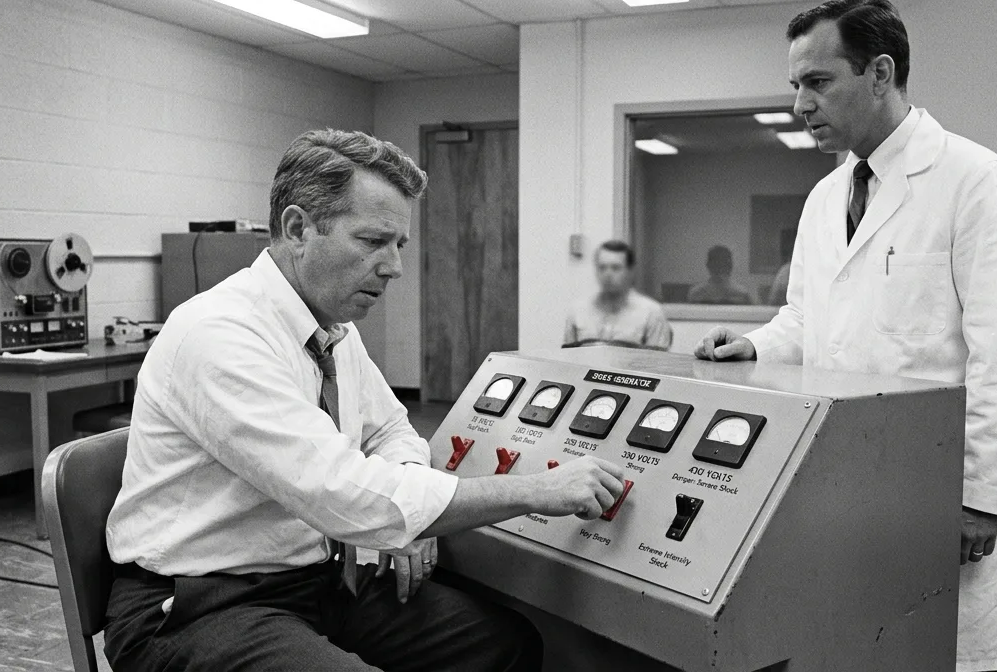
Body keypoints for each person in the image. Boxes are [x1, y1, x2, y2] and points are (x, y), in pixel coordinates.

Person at [103, 129, 628, 672]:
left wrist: (404, 518)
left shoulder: (332, 330)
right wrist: (535, 489)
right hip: (198, 605)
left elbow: (391, 431)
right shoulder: (220, 334)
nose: (394, 266)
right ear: (298, 228)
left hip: (311, 583)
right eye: (373, 241)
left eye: (399, 244)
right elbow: (339, 494)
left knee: (505, 642)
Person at [693, 2, 997, 670]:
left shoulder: (975, 182)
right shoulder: (825, 198)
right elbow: (805, 319)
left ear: (881, 74)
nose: (801, 103)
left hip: (936, 485)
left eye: (818, 82)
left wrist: (977, 495)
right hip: (844, 479)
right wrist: (758, 347)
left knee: (938, 647)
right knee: (855, 641)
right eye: (796, 85)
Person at [563, 240, 673, 350]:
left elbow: (658, 363)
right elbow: (569, 361)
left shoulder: (651, 313)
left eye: (616, 268)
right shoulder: (577, 311)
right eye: (602, 268)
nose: (608, 274)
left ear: (630, 272)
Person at [686, 245, 755, 304]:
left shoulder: (741, 295)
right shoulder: (696, 294)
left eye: (723, 265)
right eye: (716, 265)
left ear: (730, 267)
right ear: (709, 266)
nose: (720, 269)